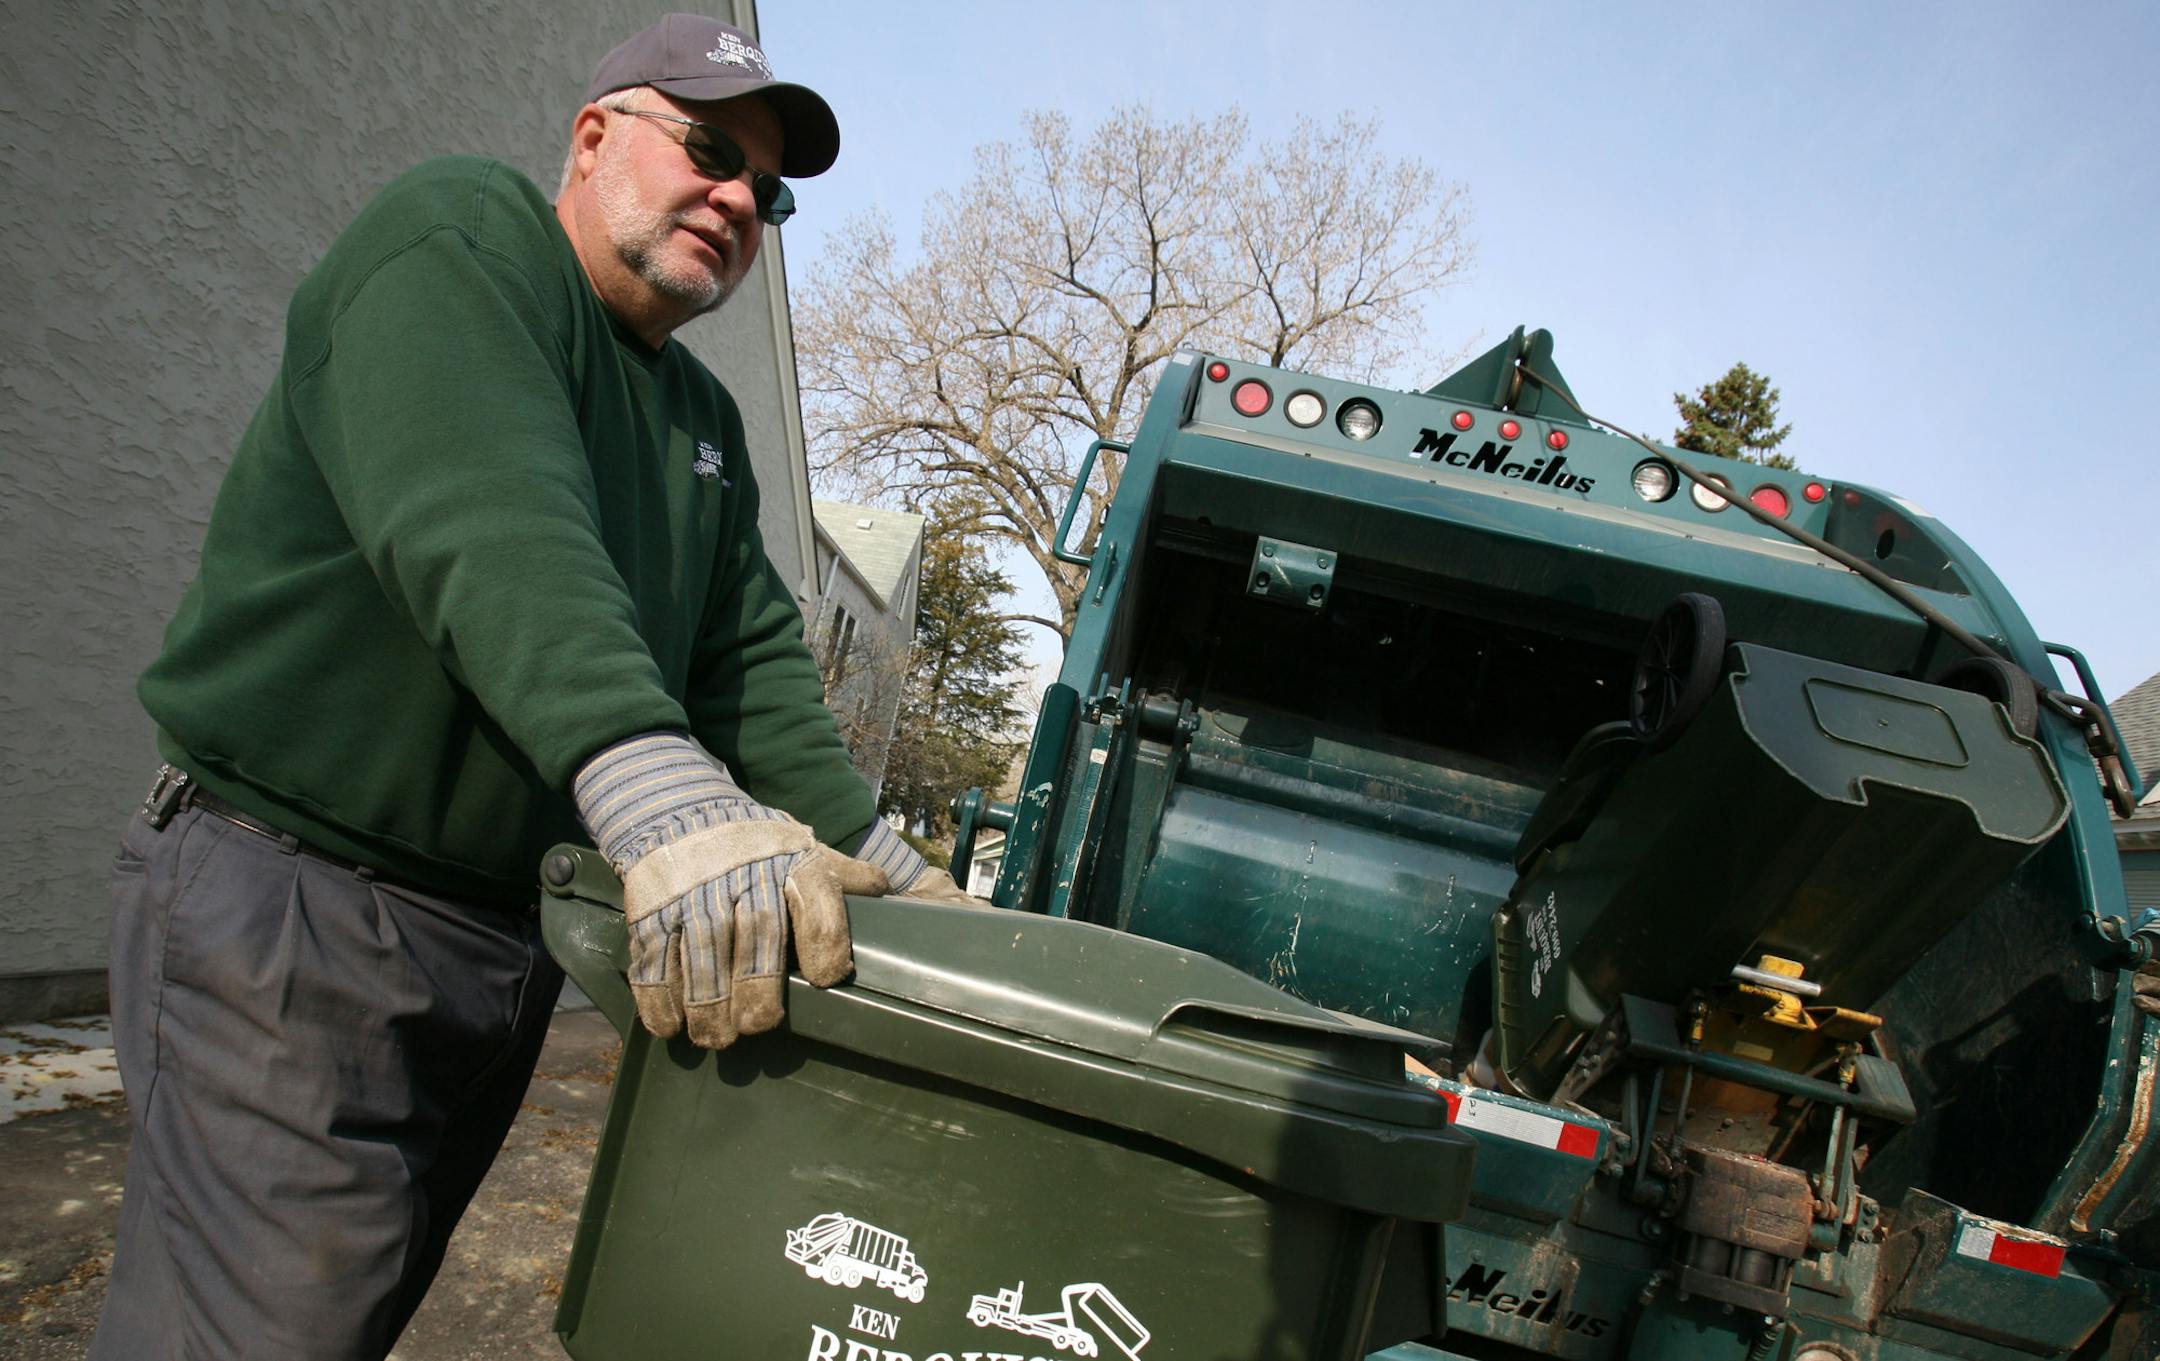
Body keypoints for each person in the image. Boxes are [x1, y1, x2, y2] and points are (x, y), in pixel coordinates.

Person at [92, 15, 968, 1359]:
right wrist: (663, 796)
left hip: (493, 947)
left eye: (767, 191)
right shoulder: (460, 243)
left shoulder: (703, 428)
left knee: (344, 1316)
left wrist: (908, 885)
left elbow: (754, 679)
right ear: (594, 135)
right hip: (296, 907)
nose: (738, 200)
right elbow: (492, 522)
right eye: (709, 148)